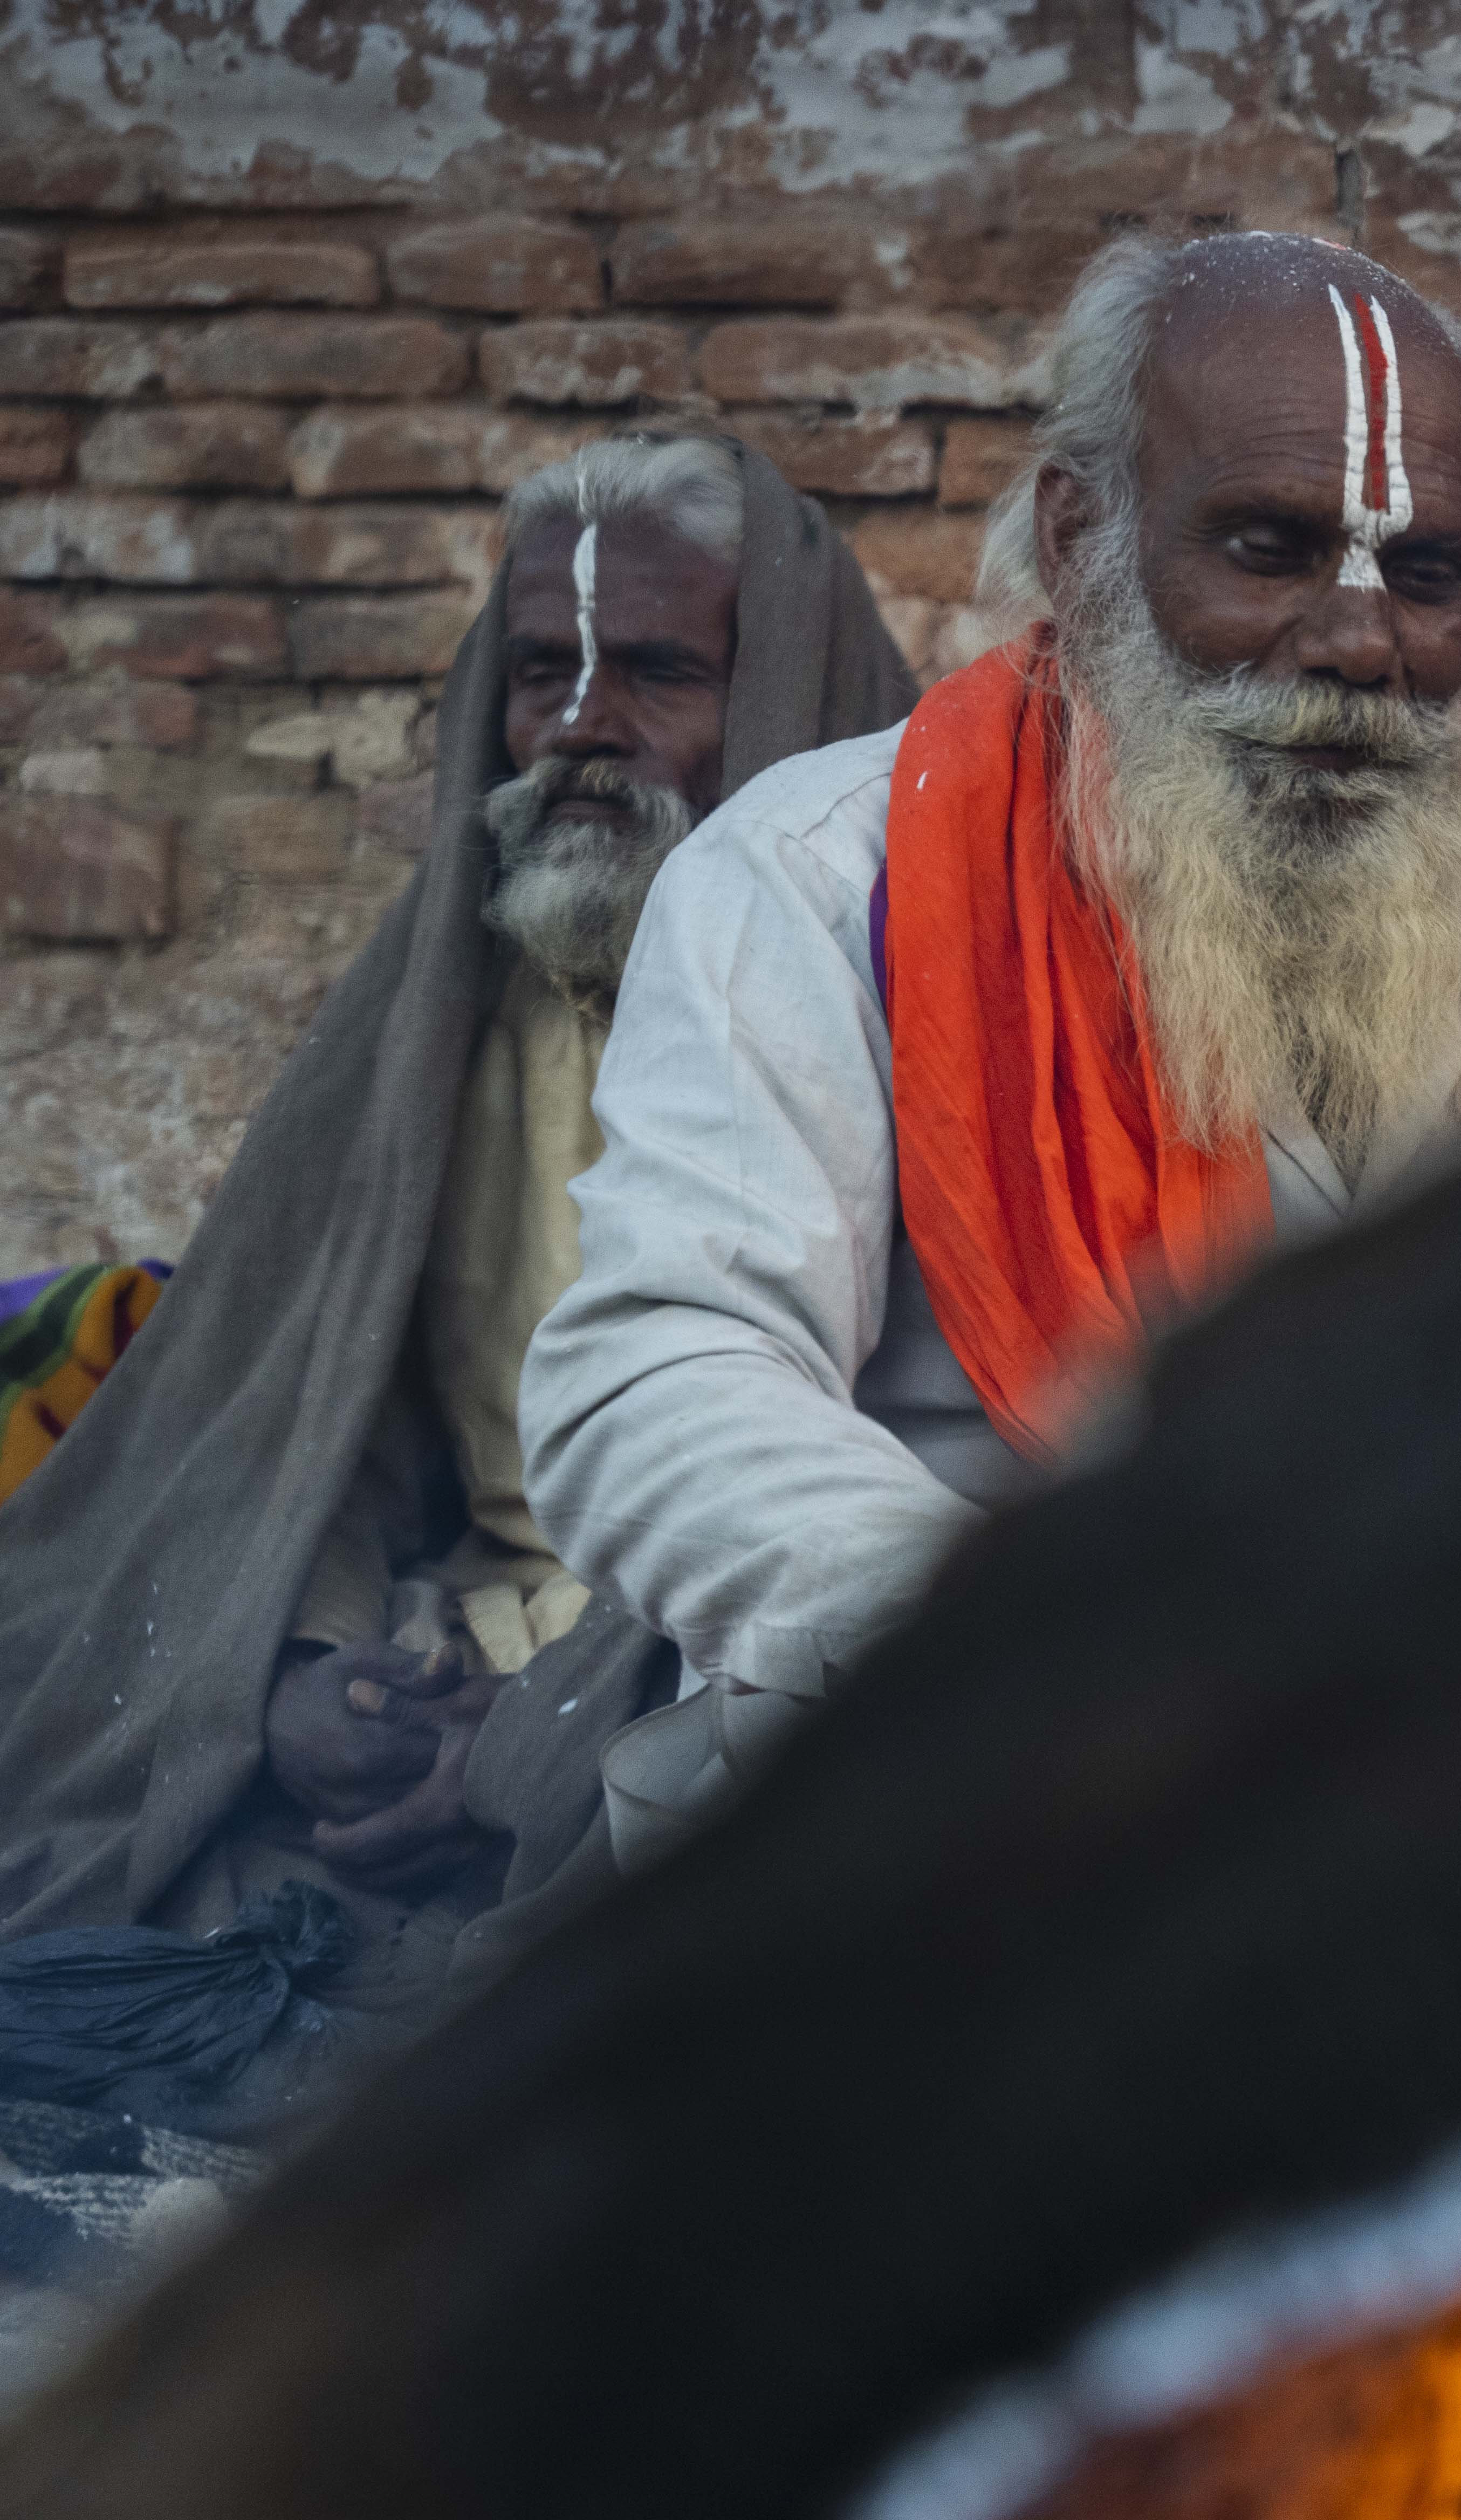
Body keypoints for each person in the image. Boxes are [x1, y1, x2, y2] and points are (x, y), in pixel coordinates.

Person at [524, 236, 1461, 1860]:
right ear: (1078, 534)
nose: (1359, 642)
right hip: (991, 1773)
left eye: (1428, 575)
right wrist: (1051, 1643)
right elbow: (654, 1373)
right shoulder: (818, 878)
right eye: (1271, 549)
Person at [0, 433, 914, 1982]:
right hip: (446, 1642)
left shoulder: (898, 1000)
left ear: (777, 703)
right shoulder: (453, 1006)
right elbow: (315, 1395)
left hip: (703, 1661)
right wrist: (291, 1667)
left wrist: (542, 1736)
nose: (577, 730)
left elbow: (862, 1516)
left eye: (655, 672)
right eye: (542, 668)